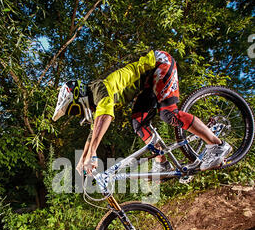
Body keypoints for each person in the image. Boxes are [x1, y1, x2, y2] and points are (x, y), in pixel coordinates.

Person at [52, 49, 231, 175]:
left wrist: (92, 153)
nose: (77, 113)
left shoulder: (98, 89)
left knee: (168, 114)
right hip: (148, 84)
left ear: (78, 96)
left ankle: (217, 145)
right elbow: (92, 136)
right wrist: (82, 160)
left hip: (159, 64)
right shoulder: (95, 104)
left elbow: (105, 117)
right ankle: (163, 165)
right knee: (139, 123)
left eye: (73, 110)